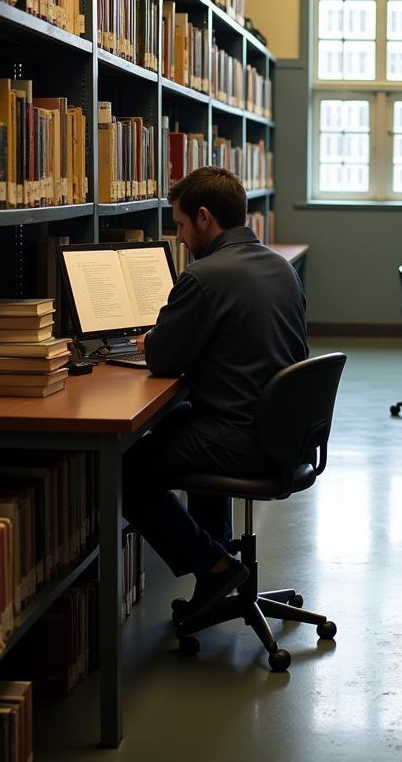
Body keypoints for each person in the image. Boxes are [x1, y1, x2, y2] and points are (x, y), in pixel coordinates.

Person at [122, 166, 308, 624]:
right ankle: (217, 562)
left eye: (181, 225)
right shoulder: (280, 266)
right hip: (288, 433)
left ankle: (217, 566)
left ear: (204, 217)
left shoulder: (204, 276)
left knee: (126, 468)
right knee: (185, 421)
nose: (180, 238)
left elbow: (163, 361)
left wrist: (151, 342)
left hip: (242, 438)